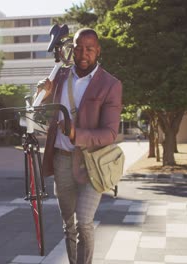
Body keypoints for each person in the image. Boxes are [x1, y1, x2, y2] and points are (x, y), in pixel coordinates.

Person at [36, 28, 123, 264]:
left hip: (92, 162)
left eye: (89, 49)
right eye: (79, 48)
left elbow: (110, 132)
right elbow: (38, 108)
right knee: (69, 224)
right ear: (72, 48)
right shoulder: (60, 76)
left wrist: (77, 133)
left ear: (98, 51)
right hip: (62, 159)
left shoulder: (110, 84)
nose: (83, 53)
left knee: (84, 222)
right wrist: (42, 94)